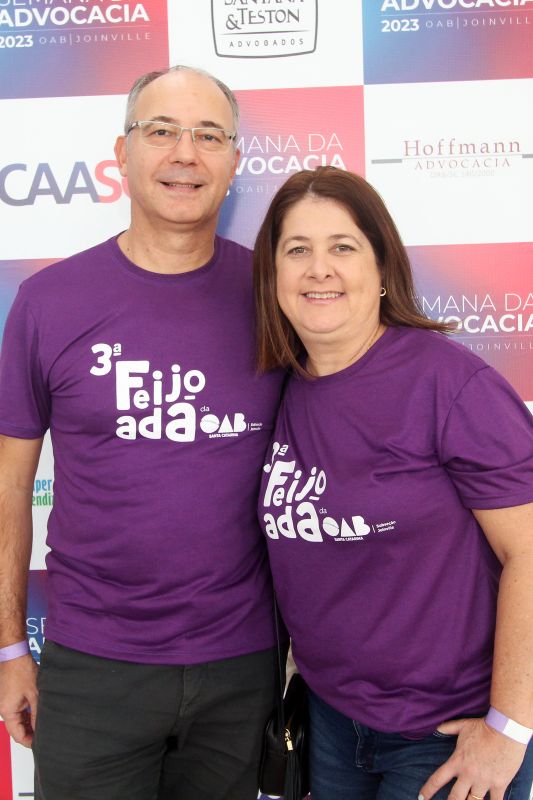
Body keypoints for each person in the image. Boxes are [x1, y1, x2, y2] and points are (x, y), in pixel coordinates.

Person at [0, 65, 284, 800]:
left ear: (234, 162)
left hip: (242, 666)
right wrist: (8, 648)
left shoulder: (279, 298)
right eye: (161, 131)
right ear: (121, 154)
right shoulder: (47, 303)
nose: (185, 153)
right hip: (92, 668)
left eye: (209, 136)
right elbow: (8, 490)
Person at [253, 166, 533, 800]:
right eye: (297, 250)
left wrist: (509, 730)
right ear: (272, 276)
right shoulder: (283, 388)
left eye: (343, 247)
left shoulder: (449, 384)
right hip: (330, 723)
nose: (319, 269)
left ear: (382, 268)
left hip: (447, 734)